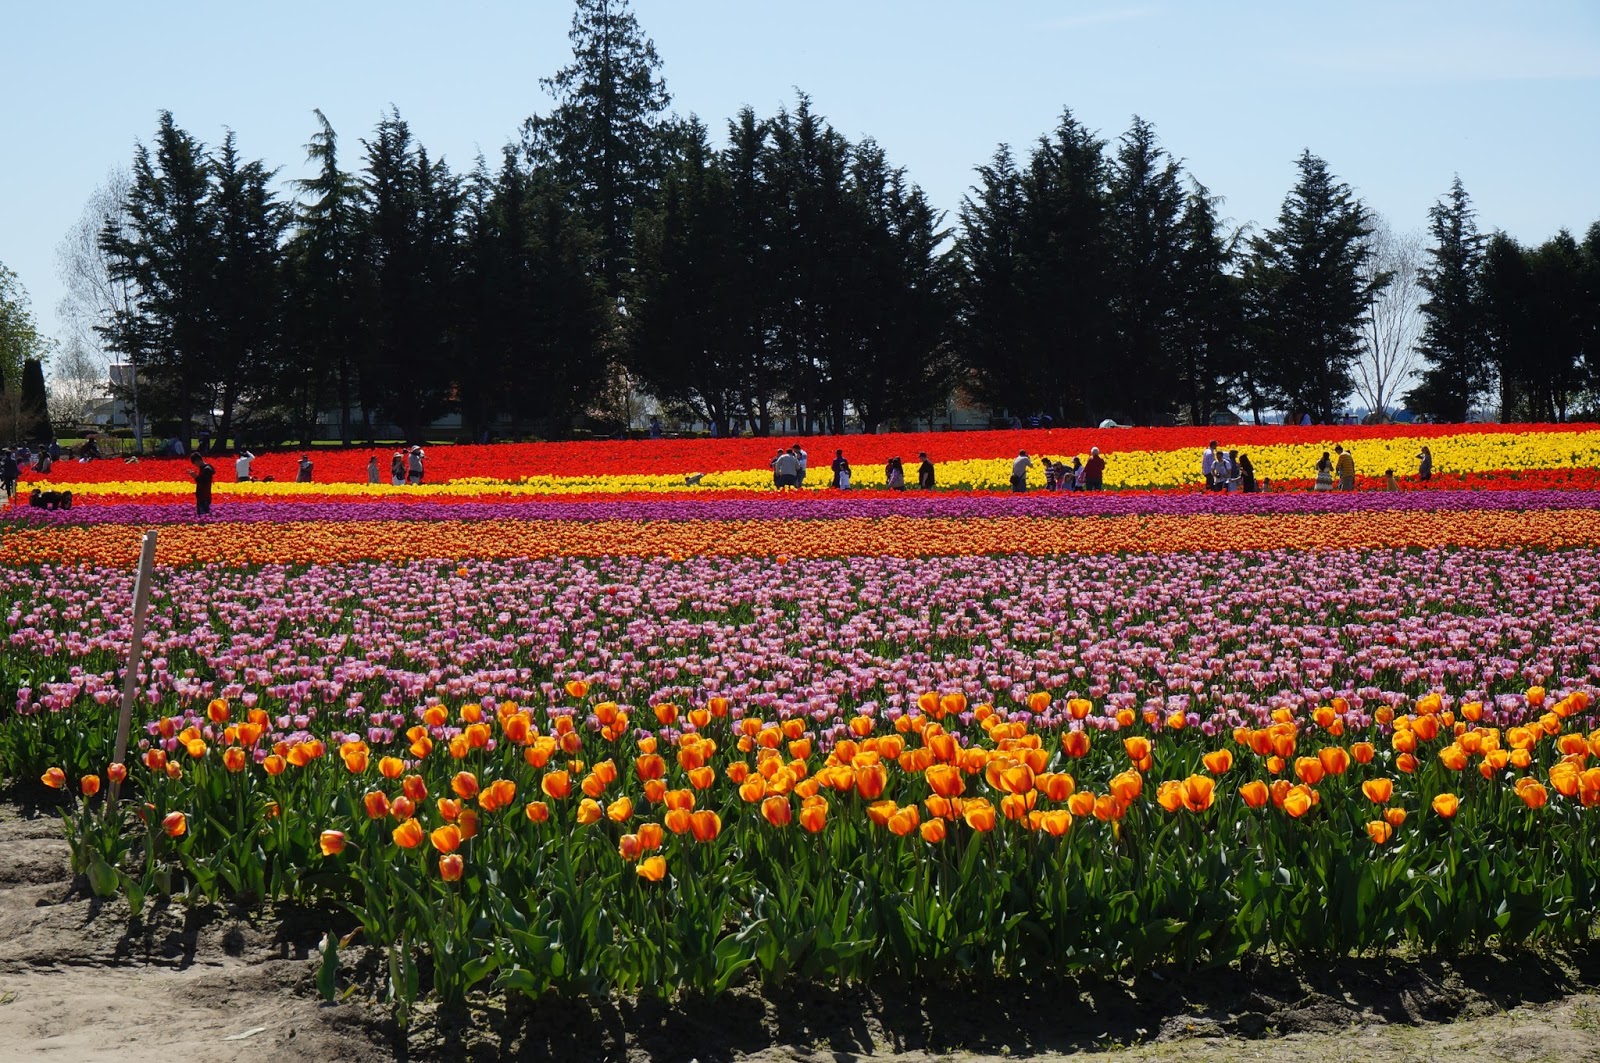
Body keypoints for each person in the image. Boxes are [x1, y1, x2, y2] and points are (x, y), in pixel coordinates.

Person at [188, 452, 215, 516]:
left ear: (198, 461)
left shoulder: (207, 469)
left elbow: (203, 483)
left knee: (204, 516)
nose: (195, 466)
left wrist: (195, 477)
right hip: (202, 496)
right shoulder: (204, 468)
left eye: (195, 463)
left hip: (204, 496)